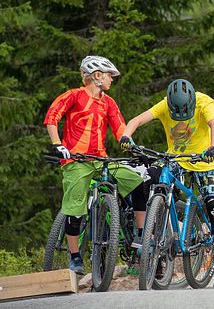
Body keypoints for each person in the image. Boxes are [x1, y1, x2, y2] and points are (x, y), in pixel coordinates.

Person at [119, 79, 214, 288]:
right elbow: (135, 121)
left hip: (204, 161)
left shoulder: (204, 102)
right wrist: (127, 136)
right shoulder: (163, 105)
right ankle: (150, 234)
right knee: (149, 178)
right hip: (177, 159)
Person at [44, 56, 146, 275]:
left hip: (101, 160)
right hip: (76, 161)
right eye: (109, 75)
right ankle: (75, 257)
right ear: (97, 76)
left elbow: (120, 130)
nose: (112, 79)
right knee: (76, 207)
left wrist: (132, 147)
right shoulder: (74, 95)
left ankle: (140, 236)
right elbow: (52, 118)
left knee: (138, 183)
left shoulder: (108, 102)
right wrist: (57, 144)